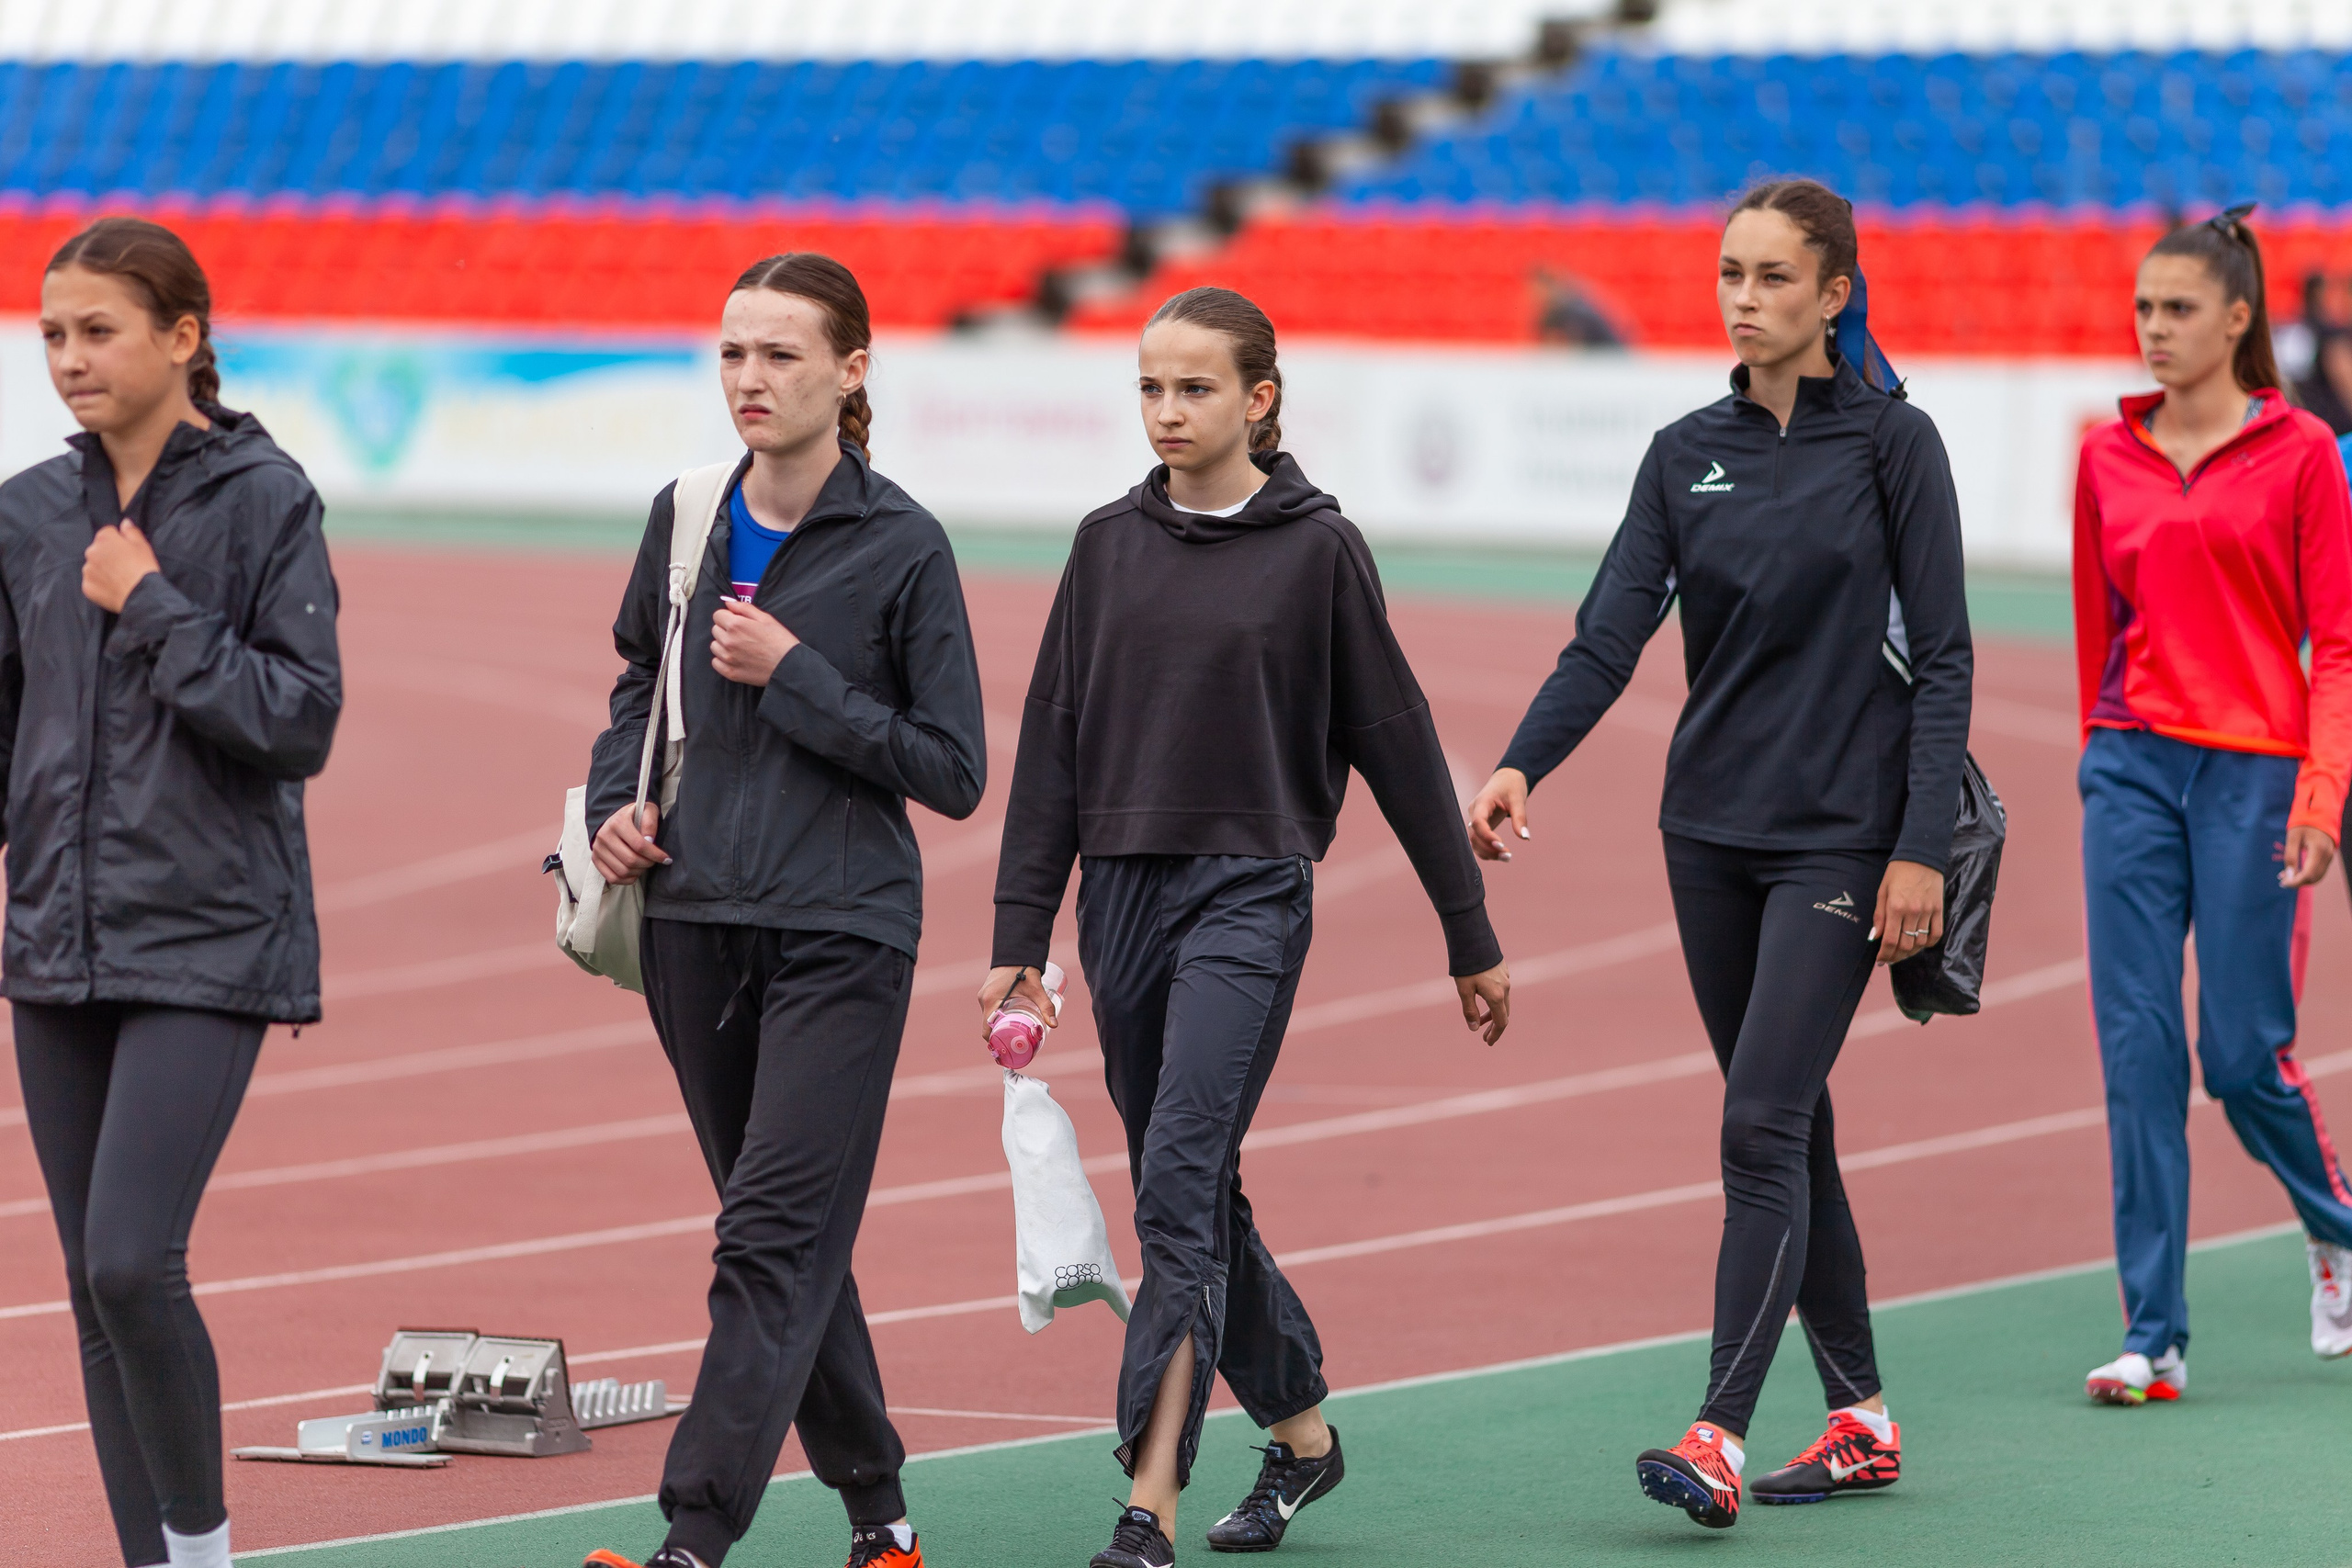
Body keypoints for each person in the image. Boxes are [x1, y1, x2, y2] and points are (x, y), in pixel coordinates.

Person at [1466, 178, 1971, 1530]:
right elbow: (1608, 636)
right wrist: (1524, 758)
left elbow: (1948, 661)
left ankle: (1720, 1432)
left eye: (1770, 277)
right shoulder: (1683, 447)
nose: (1743, 297)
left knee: (1755, 1121)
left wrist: (1918, 848)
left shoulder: (1895, 447)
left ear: (1833, 297)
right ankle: (1861, 1417)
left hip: (1842, 840)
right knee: (1787, 1122)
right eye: (1730, 274)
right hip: (1707, 839)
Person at [983, 286, 1512, 1568]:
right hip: (1121, 901)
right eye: (1152, 389)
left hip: (1251, 894)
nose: (1168, 412)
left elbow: (1394, 740)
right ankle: (1304, 1434)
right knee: (1198, 1190)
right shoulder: (1105, 544)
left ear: (1260, 400)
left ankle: (1146, 1500)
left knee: (1172, 1183)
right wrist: (1021, 930)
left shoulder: (1318, 551)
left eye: (1196, 388)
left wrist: (1467, 928)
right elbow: (1053, 747)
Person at [578, 254, 986, 1568]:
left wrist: (799, 673)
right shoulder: (688, 513)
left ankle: (694, 1539)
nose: (750, 379)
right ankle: (883, 1517)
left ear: (852, 371)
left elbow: (954, 768)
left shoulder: (905, 544)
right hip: (692, 920)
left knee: (765, 1236)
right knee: (791, 1239)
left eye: (782, 355)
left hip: (842, 929)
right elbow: (640, 681)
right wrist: (612, 806)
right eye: (734, 354)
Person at [6, 218, 342, 1568]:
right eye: (52, 338)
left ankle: (201, 1562)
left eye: (99, 331)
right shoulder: (28, 510)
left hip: (211, 933)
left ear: (183, 336)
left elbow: (299, 719)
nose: (72, 361)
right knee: (95, 1289)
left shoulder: (266, 498)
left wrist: (151, 604)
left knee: (134, 1258)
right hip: (57, 941)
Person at [2072, 205, 2352, 1406]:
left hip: (2255, 775)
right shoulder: (2103, 455)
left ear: (2238, 319)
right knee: (2138, 1052)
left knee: (2240, 1058)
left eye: (2178, 309)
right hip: (2131, 769)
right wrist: (2095, 752)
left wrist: (2322, 795)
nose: (2154, 330)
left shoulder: (2303, 455)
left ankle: (2336, 1227)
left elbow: (2338, 646)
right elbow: (2098, 631)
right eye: (2143, 309)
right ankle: (2155, 1332)